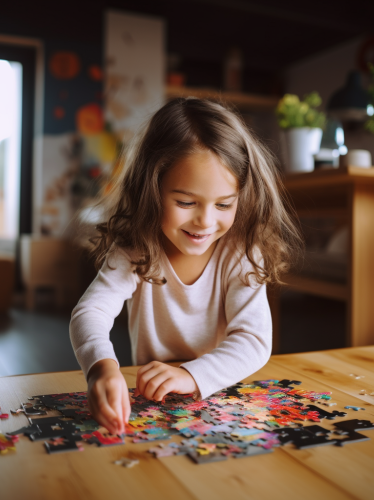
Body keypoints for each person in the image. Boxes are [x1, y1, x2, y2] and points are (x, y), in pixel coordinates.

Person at [70, 97, 301, 435]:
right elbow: (90, 312)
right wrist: (100, 368)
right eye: (185, 202)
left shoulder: (241, 252)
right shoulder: (135, 249)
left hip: (221, 400)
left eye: (224, 204)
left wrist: (191, 375)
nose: (205, 221)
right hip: (152, 404)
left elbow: (253, 339)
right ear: (151, 189)